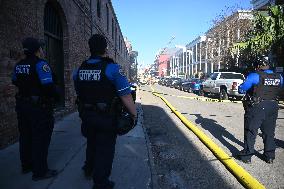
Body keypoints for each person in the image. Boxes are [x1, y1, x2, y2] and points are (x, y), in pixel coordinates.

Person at [73, 34, 137, 189]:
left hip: (86, 116)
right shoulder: (112, 68)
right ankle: (101, 182)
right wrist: (134, 114)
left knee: (91, 143)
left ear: (90, 48)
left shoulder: (79, 70)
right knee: (105, 149)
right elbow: (126, 96)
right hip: (106, 117)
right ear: (105, 49)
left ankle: (88, 169)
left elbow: (79, 92)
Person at [12, 37, 60, 180]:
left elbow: (15, 81)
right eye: (41, 48)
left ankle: (26, 165)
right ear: (38, 50)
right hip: (39, 108)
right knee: (41, 138)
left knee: (25, 136)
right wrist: (55, 96)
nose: (42, 50)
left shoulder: (19, 65)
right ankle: (40, 171)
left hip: (22, 105)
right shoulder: (41, 64)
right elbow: (48, 86)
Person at [237, 56, 283, 164]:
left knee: (251, 130)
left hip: (257, 106)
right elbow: (280, 87)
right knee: (269, 132)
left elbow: (242, 89)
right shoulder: (279, 76)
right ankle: (270, 156)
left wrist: (242, 87)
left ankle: (247, 156)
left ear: (258, 66)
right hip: (273, 106)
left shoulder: (254, 75)